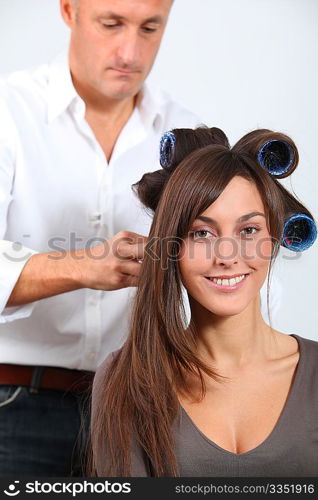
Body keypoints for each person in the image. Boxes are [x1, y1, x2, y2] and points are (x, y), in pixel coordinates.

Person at [0, 0, 204, 477]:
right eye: (111, 24)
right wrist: (82, 266)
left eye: (150, 28)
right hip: (12, 406)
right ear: (69, 10)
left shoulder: (189, 135)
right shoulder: (7, 113)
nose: (130, 51)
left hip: (137, 415)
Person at [91, 126, 318, 477]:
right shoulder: (126, 377)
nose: (227, 256)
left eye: (248, 231)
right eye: (201, 233)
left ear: (273, 239)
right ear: (172, 249)